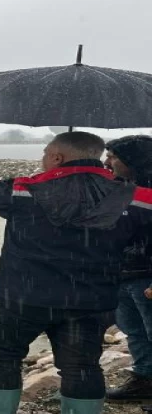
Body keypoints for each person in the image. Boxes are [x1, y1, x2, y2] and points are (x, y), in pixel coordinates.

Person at [0, 132, 152, 414]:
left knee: (0, 359)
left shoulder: (22, 190)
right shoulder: (138, 198)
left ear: (57, 157)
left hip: (19, 297)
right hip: (91, 301)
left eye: (44, 153)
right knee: (82, 367)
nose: (41, 159)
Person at [103, 135, 152, 401]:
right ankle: (144, 380)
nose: (106, 161)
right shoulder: (119, 189)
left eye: (113, 156)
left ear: (133, 160)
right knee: (134, 332)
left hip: (147, 276)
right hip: (123, 273)